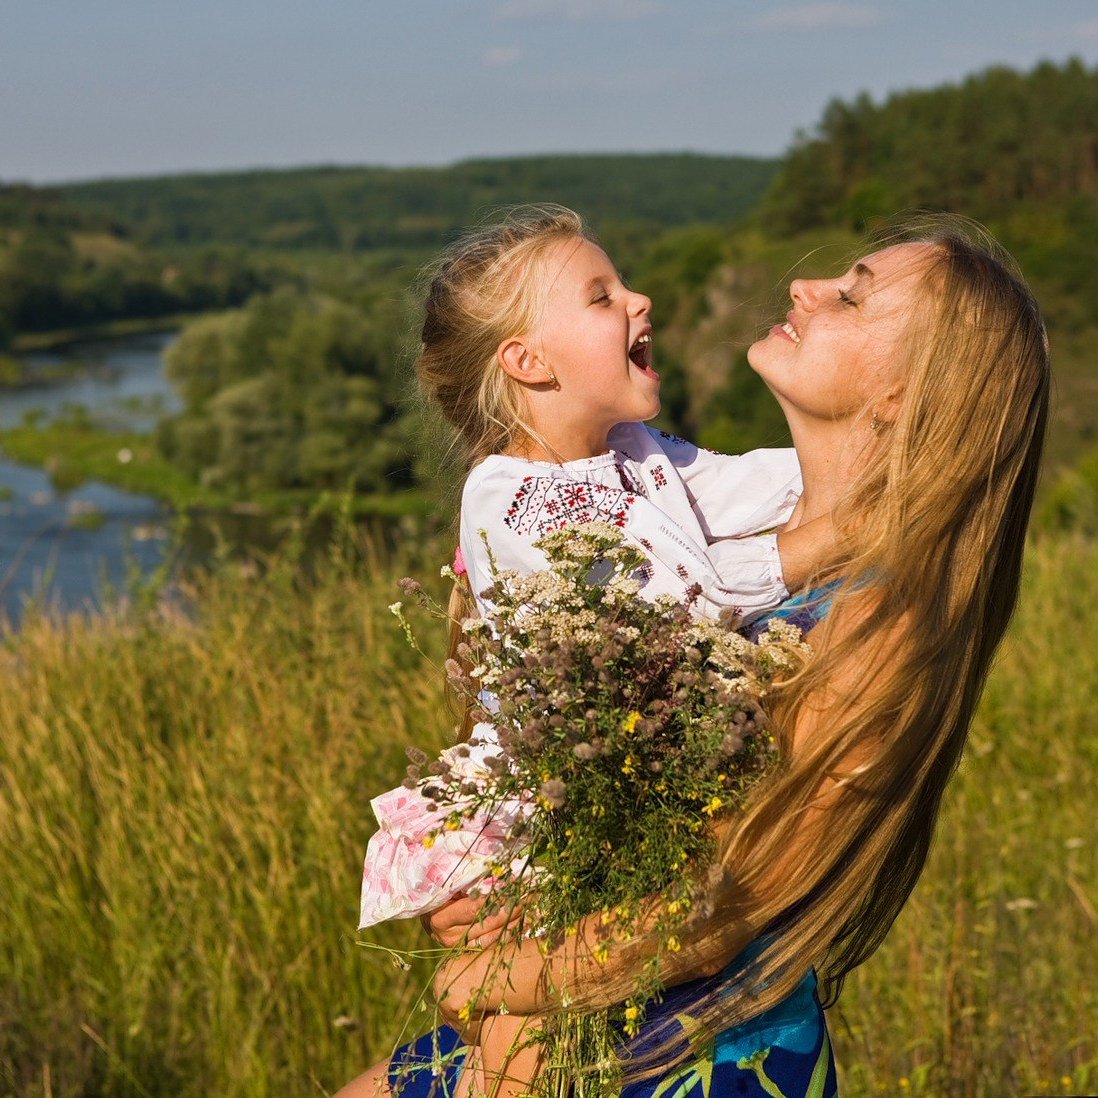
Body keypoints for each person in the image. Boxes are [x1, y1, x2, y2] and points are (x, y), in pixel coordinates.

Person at [343, 213, 1050, 1097]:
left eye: (851, 297)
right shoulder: (683, 518)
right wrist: (485, 894)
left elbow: (732, 899)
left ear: (904, 395)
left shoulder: (877, 612)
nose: (805, 286)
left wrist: (494, 975)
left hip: (689, 1049)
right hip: (584, 1001)